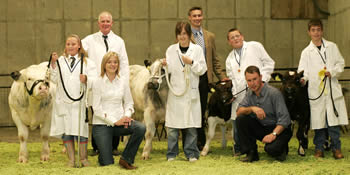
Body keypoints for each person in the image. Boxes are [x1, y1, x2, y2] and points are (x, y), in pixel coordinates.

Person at [297, 19, 348, 159]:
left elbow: (341, 63)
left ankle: (336, 148)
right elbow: (303, 71)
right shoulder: (306, 52)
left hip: (331, 88)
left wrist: (332, 71)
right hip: (316, 92)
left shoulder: (332, 46)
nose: (316, 33)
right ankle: (319, 149)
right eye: (313, 30)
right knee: (318, 122)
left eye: (318, 30)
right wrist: (303, 79)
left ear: (322, 31)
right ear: (309, 32)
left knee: (333, 122)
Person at [82, 11, 130, 156]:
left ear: (112, 23)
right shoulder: (89, 40)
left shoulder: (119, 41)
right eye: (102, 21)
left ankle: (114, 146)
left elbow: (124, 62)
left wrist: (124, 83)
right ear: (98, 23)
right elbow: (79, 49)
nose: (105, 24)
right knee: (97, 114)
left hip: (115, 83)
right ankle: (97, 147)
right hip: (97, 84)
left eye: (107, 21)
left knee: (116, 113)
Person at [92, 51, 146, 169]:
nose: (113, 65)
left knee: (140, 127)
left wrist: (126, 116)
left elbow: (129, 103)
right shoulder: (97, 82)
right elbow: (96, 108)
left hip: (120, 123)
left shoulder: (122, 81)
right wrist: (114, 121)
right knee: (107, 163)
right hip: (102, 125)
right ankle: (103, 154)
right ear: (104, 64)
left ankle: (126, 159)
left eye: (115, 62)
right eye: (109, 62)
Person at [225, 28, 275, 156]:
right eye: (232, 37)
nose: (236, 39)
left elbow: (269, 63)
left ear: (242, 36)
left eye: (237, 36)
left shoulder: (255, 46)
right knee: (238, 121)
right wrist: (233, 95)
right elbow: (232, 79)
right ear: (229, 42)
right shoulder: (229, 59)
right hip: (240, 96)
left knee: (260, 119)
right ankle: (240, 148)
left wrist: (262, 80)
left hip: (258, 91)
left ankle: (269, 145)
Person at [49, 34, 97, 167]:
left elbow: (95, 79)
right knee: (67, 131)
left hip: (80, 103)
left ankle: (83, 159)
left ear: (79, 46)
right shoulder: (60, 61)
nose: (70, 46)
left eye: (73, 44)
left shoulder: (87, 62)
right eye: (68, 44)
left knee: (81, 131)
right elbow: (53, 78)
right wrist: (53, 63)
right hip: (64, 102)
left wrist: (87, 79)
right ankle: (71, 160)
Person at [162, 21, 207, 162]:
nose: (182, 37)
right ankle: (172, 153)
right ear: (176, 36)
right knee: (173, 127)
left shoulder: (197, 50)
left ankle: (191, 153)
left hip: (190, 92)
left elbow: (202, 69)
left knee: (191, 126)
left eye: (185, 34)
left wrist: (191, 62)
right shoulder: (171, 49)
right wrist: (165, 65)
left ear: (189, 35)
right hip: (175, 92)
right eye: (179, 34)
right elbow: (169, 71)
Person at [187, 6, 227, 150]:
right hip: (190, 78)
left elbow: (215, 59)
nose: (197, 18)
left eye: (199, 15)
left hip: (205, 79)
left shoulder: (209, 36)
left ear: (202, 17)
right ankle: (191, 141)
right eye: (194, 16)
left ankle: (201, 141)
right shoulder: (185, 35)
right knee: (190, 109)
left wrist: (223, 78)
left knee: (201, 109)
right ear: (189, 18)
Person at [236, 66, 292, 162]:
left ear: (261, 77)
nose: (252, 83)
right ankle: (251, 153)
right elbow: (238, 112)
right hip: (263, 127)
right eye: (249, 80)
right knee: (241, 119)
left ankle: (282, 148)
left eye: (255, 79)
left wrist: (273, 134)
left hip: (279, 129)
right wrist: (252, 108)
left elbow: (284, 119)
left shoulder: (274, 93)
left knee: (271, 150)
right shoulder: (249, 94)